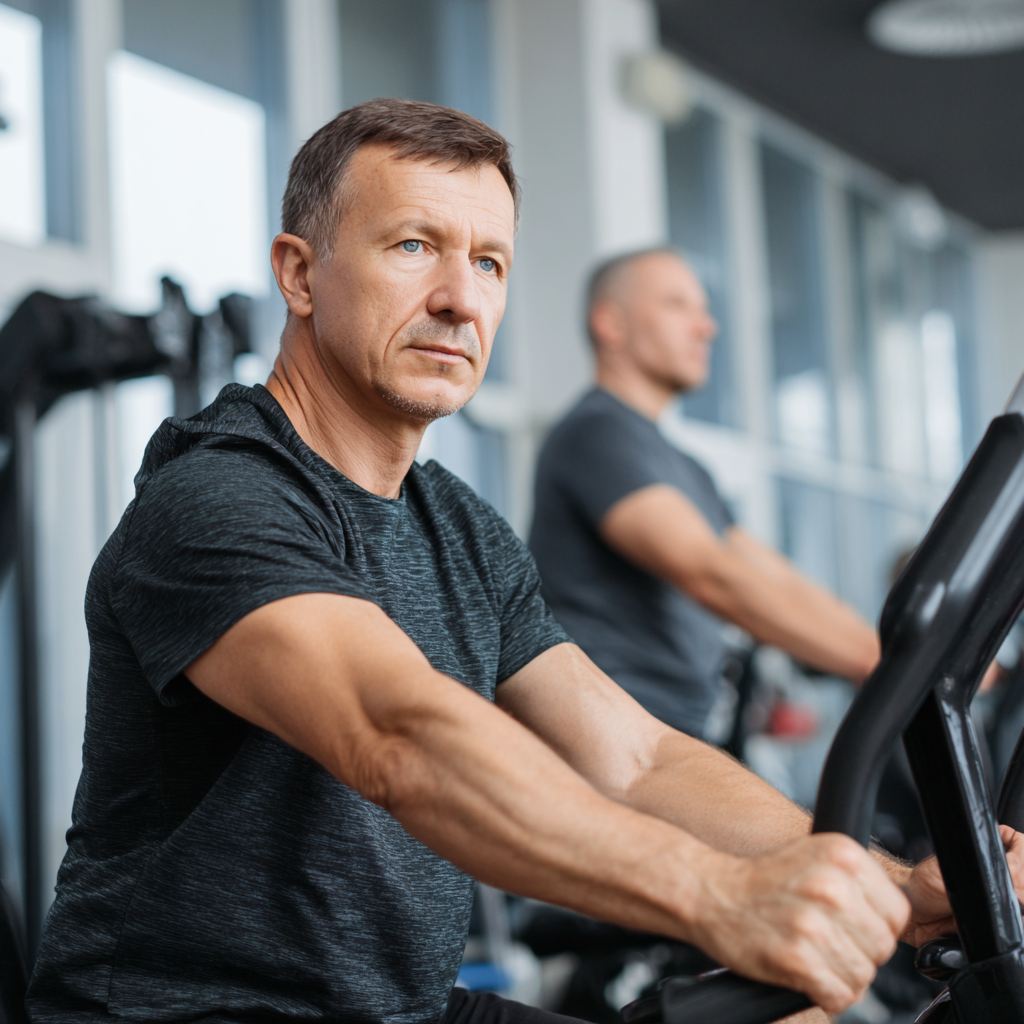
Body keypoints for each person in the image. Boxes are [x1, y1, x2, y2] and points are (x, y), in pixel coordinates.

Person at [25, 100, 1022, 1024]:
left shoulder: (458, 527)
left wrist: (892, 885)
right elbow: (398, 736)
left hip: (407, 1005)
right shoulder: (216, 496)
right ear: (298, 273)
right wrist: (719, 894)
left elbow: (636, 759)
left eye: (490, 263)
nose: (461, 299)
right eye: (413, 246)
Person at [530, 248, 881, 739]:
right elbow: (711, 573)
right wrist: (876, 662)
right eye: (677, 305)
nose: (706, 328)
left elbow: (772, 575)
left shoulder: (684, 466)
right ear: (611, 324)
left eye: (704, 310)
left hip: (675, 732)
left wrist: (889, 649)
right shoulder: (596, 434)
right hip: (606, 734)